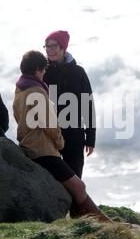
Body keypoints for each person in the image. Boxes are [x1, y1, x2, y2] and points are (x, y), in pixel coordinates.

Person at [13, 50, 110, 222]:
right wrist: (60, 142)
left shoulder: (20, 88)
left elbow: (16, 116)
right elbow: (50, 124)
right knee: (79, 187)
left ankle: (92, 221)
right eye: (43, 70)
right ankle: (102, 224)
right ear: (37, 69)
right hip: (43, 151)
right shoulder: (36, 91)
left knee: (73, 187)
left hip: (28, 146)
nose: (44, 74)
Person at [43, 30, 95, 179]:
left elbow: (88, 105)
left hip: (74, 136)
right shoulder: (43, 72)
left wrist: (90, 138)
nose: (49, 50)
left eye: (53, 46)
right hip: (49, 135)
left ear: (63, 48)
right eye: (46, 46)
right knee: (51, 180)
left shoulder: (78, 72)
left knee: (75, 179)